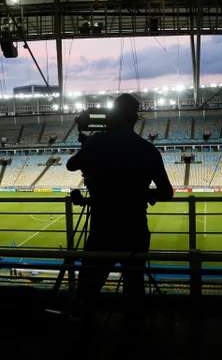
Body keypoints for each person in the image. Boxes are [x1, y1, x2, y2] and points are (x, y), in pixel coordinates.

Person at [66, 93, 173, 322]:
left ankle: (83, 336)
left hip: (102, 229)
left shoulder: (97, 142)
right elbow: (167, 192)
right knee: (134, 288)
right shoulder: (148, 149)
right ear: (134, 119)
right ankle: (133, 338)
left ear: (113, 116)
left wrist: (90, 145)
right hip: (135, 229)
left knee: (89, 286)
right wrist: (144, 194)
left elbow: (71, 165)